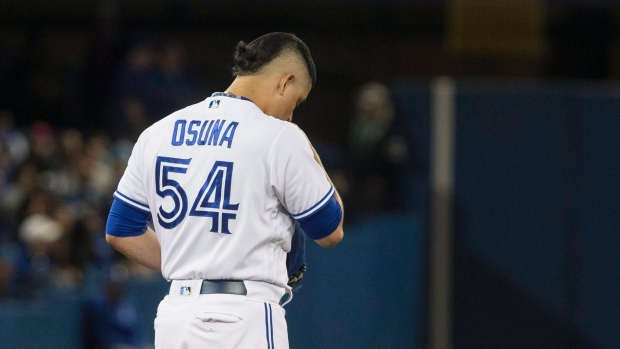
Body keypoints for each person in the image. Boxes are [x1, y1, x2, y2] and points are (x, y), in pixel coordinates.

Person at [105, 32, 344, 349]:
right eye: (297, 101)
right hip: (244, 317)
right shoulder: (280, 136)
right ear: (285, 81)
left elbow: (121, 230)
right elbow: (330, 230)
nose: (291, 114)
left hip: (175, 320)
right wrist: (307, 147)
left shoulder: (157, 132)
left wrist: (190, 262)